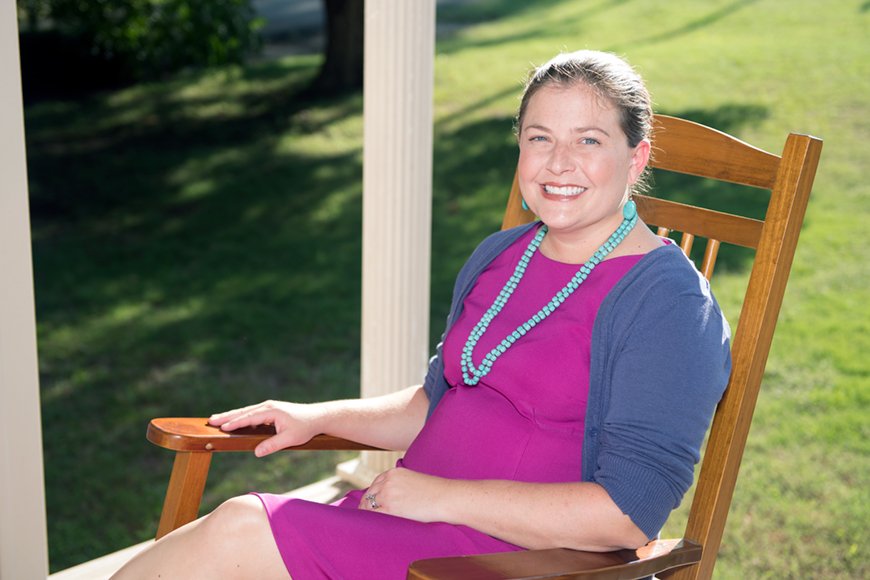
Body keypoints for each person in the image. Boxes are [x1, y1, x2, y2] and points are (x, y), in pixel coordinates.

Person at [111, 50, 731, 580]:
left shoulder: (671, 307)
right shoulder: (505, 253)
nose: (558, 163)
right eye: (539, 138)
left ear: (638, 156)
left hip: (519, 562)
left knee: (240, 530)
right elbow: (441, 402)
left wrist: (440, 499)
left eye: (588, 141)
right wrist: (316, 416)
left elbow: (626, 515)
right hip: (402, 523)